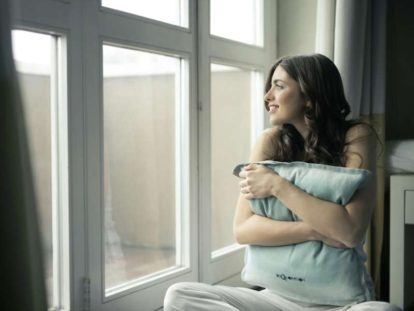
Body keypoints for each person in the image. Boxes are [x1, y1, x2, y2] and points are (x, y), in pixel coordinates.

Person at [163, 54, 401, 311]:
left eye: (279, 86)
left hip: (340, 305)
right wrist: (316, 231)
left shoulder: (355, 136)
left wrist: (278, 185)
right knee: (180, 295)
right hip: (273, 299)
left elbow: (350, 232)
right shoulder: (270, 141)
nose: (268, 96)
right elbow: (243, 230)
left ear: (309, 95)